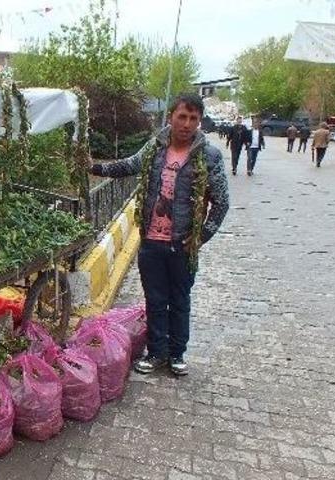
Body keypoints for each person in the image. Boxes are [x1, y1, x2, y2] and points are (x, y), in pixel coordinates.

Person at [89, 92, 230, 377]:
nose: (187, 124)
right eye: (182, 116)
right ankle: (156, 352)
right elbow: (128, 166)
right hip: (152, 241)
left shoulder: (209, 156)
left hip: (183, 246)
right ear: (171, 117)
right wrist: (93, 166)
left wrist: (201, 236)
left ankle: (177, 354)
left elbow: (221, 202)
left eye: (194, 119)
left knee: (179, 300)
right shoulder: (155, 148)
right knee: (155, 299)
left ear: (199, 122)